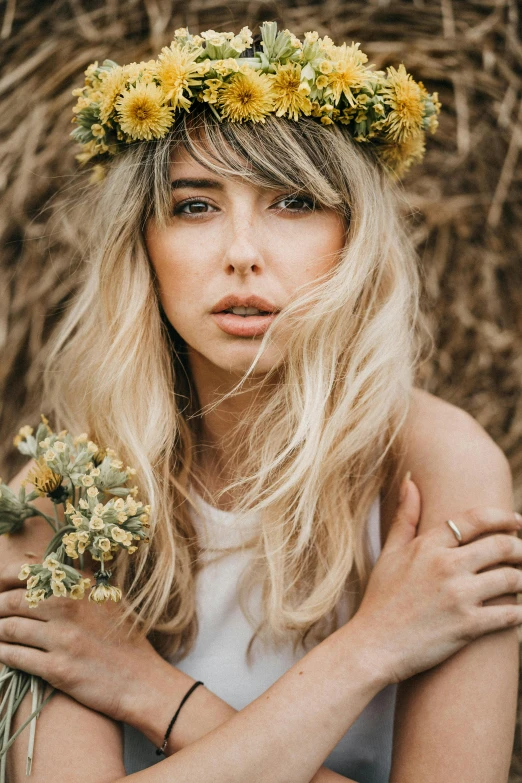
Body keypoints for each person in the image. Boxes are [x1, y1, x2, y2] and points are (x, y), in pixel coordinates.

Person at [0, 22, 520, 783]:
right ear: (143, 242)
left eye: (293, 201)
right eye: (195, 206)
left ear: (354, 234)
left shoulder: (435, 466)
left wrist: (150, 689)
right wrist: (373, 646)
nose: (242, 251)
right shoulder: (66, 488)